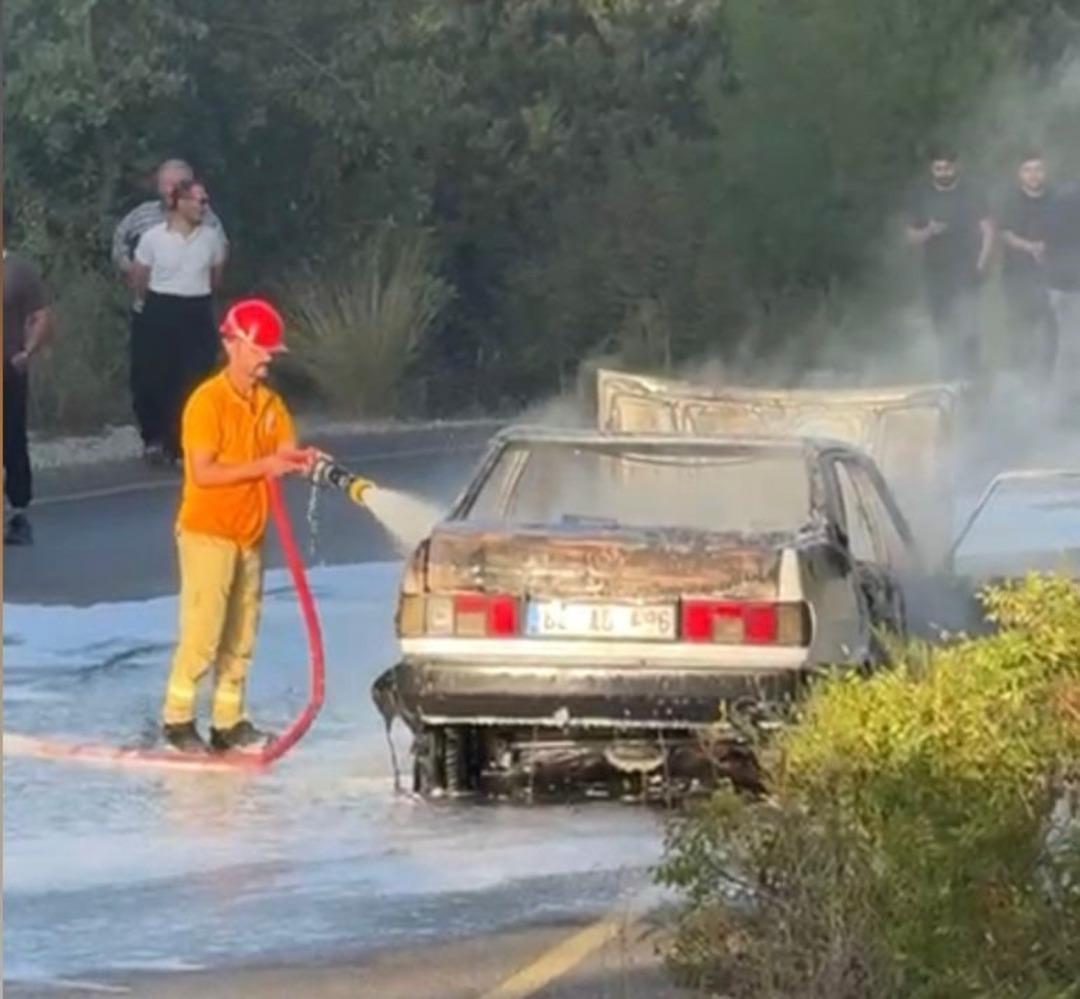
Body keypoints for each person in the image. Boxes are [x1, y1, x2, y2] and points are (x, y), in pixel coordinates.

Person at [161, 299, 319, 753]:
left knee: (241, 632)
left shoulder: (269, 404)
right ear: (235, 345)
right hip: (207, 531)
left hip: (250, 535)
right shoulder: (206, 403)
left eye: (272, 350)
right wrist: (264, 464)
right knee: (204, 631)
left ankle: (228, 723)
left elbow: (284, 451)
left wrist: (304, 461)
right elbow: (204, 473)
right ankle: (177, 721)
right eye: (261, 348)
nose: (269, 357)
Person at [111, 159, 227, 463]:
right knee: (152, 376)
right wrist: (140, 290)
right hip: (156, 307)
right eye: (170, 184)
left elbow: (216, 272)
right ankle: (155, 437)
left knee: (194, 377)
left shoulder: (211, 230)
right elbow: (131, 262)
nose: (202, 204)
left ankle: (183, 442)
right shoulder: (148, 228)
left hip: (196, 307)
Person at [904, 146, 994, 379]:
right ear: (931, 169)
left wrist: (982, 265)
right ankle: (948, 379)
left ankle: (973, 379)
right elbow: (910, 237)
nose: (943, 172)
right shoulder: (920, 195)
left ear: (956, 167)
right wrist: (929, 231)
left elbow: (988, 230)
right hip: (936, 274)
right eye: (938, 168)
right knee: (943, 329)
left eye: (947, 167)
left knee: (970, 327)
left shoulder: (972, 191)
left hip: (967, 271)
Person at [3, 202, 53, 546]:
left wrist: (28, 352)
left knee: (11, 438)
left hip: (7, 367)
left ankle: (19, 511)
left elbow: (41, 314)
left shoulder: (18, 271)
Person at [998, 152, 1060, 381]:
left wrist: (1052, 247)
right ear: (1019, 174)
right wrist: (1031, 247)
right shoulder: (1010, 201)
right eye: (1028, 170)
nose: (1033, 175)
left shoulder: (1057, 198)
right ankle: (1022, 382)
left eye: (1038, 169)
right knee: (1021, 331)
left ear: (1045, 172)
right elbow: (1004, 234)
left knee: (1053, 332)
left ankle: (1050, 380)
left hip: (1053, 278)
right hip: (1017, 276)